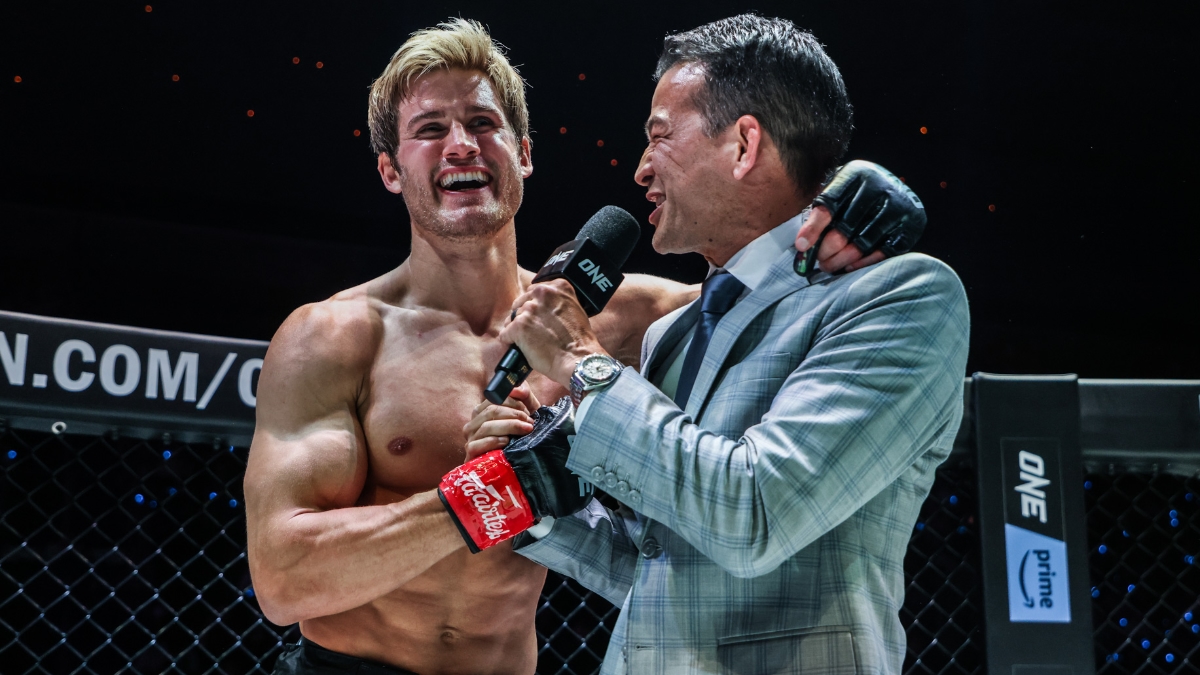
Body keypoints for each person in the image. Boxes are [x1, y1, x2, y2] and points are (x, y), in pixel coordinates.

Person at [244, 17, 916, 675]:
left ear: (524, 153)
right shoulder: (335, 337)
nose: (462, 145)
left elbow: (782, 284)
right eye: (430, 130)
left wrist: (852, 197)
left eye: (482, 123)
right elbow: (284, 578)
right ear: (390, 170)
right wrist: (493, 496)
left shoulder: (616, 319)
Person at [469, 14, 970, 675]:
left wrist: (580, 362)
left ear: (743, 146)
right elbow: (665, 567)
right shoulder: (673, 333)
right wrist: (536, 506)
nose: (641, 169)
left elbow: (755, 516)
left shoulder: (901, 296)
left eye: (660, 137)